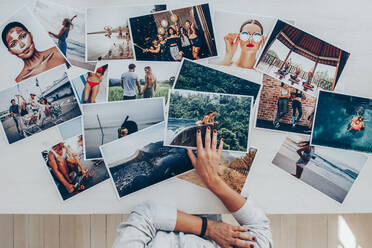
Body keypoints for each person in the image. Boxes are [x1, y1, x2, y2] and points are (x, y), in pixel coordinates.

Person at [112, 128, 272, 248]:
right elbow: (259, 227)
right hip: (205, 198)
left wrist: (210, 229)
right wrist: (213, 180)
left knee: (140, 180)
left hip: (160, 199)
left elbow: (146, 214)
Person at [1, 22, 67, 82]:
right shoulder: (20, 80)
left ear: (31, 35)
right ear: (11, 52)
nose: (22, 45)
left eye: (23, 36)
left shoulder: (57, 52)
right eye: (13, 44)